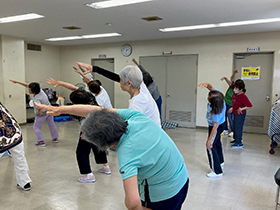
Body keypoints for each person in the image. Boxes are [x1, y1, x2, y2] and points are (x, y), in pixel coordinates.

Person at [35, 103, 189, 210]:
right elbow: (96, 110)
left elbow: (133, 203)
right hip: (182, 178)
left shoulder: (127, 153)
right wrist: (62, 109)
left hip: (163, 196)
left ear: (103, 145)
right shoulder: (136, 117)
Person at [46, 78, 111, 183]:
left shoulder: (81, 111)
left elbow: (90, 124)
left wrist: (86, 134)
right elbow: (73, 87)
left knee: (82, 151)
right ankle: (106, 166)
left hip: (90, 129)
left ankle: (89, 175)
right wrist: (60, 82)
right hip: (101, 127)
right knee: (98, 145)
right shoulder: (89, 96)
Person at [76, 62, 161, 127]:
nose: (119, 82)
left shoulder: (136, 104)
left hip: (151, 137)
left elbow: (131, 128)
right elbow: (116, 77)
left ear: (129, 83)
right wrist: (95, 69)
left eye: (121, 80)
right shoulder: (140, 85)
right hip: (153, 131)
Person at [9, 80, 58, 146]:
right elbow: (27, 85)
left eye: (29, 89)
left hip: (42, 112)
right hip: (49, 110)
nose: (28, 89)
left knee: (36, 127)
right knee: (51, 124)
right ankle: (55, 138)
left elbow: (39, 107)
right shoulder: (40, 91)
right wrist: (18, 82)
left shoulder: (36, 99)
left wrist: (40, 113)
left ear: (33, 91)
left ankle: (41, 141)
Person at [0, 101, 32, 190]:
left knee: (20, 158)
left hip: (3, 139)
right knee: (20, 159)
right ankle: (25, 183)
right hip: (15, 134)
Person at [198, 82, 226, 178]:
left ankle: (217, 171)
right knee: (217, 142)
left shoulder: (216, 112)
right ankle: (220, 161)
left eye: (208, 98)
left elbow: (215, 126)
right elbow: (212, 88)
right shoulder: (219, 97)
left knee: (210, 146)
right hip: (220, 124)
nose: (207, 98)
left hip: (216, 127)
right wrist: (207, 85)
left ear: (213, 102)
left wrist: (209, 140)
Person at [228, 79, 253, 148]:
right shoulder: (236, 94)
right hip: (235, 112)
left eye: (236, 88)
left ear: (241, 89)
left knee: (238, 127)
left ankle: (239, 143)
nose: (234, 89)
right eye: (235, 88)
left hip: (240, 114)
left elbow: (249, 105)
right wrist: (233, 108)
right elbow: (236, 103)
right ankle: (236, 139)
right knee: (235, 126)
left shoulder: (243, 96)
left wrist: (241, 109)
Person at [220, 70, 238, 137]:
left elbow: (230, 81)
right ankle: (225, 129)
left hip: (231, 104)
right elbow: (231, 79)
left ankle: (233, 131)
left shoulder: (236, 91)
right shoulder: (232, 86)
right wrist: (233, 73)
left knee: (230, 117)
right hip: (225, 102)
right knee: (224, 116)